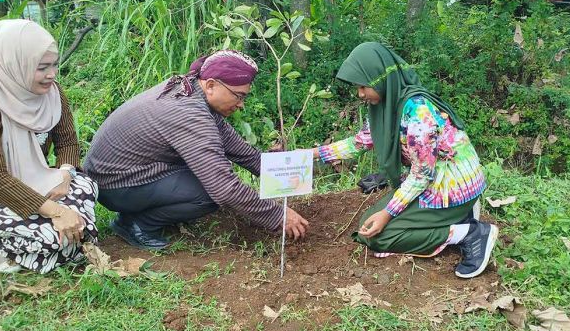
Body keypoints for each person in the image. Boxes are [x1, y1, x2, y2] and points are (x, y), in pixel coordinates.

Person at [84, 50, 309, 250]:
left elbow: (242, 152)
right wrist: (277, 215)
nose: (241, 104)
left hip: (130, 172)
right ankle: (135, 224)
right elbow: (224, 188)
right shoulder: (188, 113)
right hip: (115, 185)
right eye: (238, 95)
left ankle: (154, 210)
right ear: (211, 85)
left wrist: (293, 176)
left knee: (212, 172)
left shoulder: (191, 91)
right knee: (210, 193)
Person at [314, 42, 497, 279]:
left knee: (380, 236)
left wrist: (388, 213)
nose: (360, 95)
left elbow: (422, 175)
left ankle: (471, 233)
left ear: (379, 78)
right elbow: (358, 143)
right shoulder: (387, 105)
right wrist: (312, 155)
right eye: (357, 88)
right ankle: (461, 216)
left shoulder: (418, 113)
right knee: (366, 225)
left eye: (363, 86)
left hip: (451, 185)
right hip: (433, 181)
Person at [0, 19, 98, 274]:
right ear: (13, 65)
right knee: (60, 238)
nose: (51, 74)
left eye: (54, 65)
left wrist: (66, 174)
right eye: (42, 68)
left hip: (37, 181)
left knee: (86, 184)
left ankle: (46, 242)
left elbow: (68, 141)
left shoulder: (52, 93)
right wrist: (58, 212)